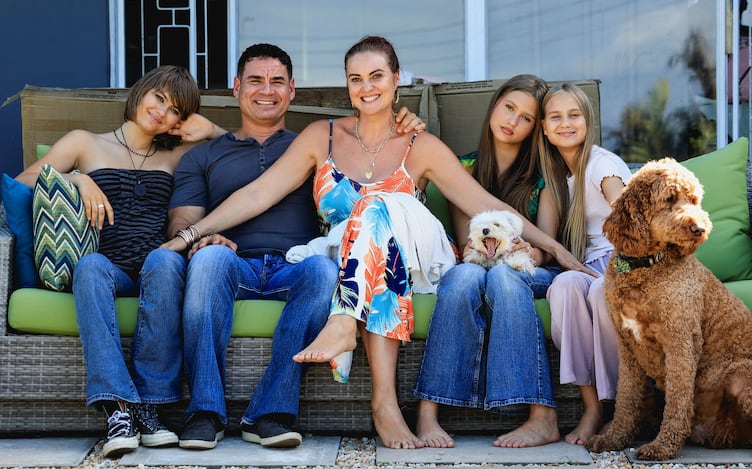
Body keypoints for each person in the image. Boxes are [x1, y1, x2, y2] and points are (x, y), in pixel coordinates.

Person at [161, 35, 589, 449]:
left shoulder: (422, 145)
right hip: (366, 266)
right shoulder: (321, 137)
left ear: (396, 78)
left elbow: (484, 204)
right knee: (369, 217)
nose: (366, 87)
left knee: (374, 204)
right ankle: (381, 399)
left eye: (377, 76)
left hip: (421, 260)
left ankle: (345, 322)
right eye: (356, 78)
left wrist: (556, 249)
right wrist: (187, 236)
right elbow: (257, 193)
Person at [145, 42, 425, 451]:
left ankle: (269, 414)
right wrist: (200, 236)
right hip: (230, 262)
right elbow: (183, 219)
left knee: (325, 272)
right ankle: (204, 411)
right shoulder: (202, 155)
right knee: (209, 261)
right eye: (255, 80)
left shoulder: (313, 144)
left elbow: (362, 159)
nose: (267, 90)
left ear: (292, 90)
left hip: (296, 262)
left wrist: (400, 123)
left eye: (278, 81)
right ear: (236, 87)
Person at [15, 65, 225, 458]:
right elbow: (24, 181)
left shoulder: (177, 154)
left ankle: (150, 405)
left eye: (175, 110)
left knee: (165, 264)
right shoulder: (85, 142)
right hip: (109, 266)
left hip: (153, 264)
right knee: (89, 266)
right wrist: (77, 177)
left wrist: (211, 129)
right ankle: (119, 408)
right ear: (141, 92)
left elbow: (238, 150)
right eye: (159, 98)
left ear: (181, 121)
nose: (162, 112)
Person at [413, 74, 563, 449]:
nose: (512, 120)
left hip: (529, 271)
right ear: (494, 105)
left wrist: (534, 251)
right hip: (479, 263)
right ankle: (428, 413)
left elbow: (546, 245)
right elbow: (471, 246)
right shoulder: (462, 167)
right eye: (509, 107)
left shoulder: (546, 177)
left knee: (505, 280)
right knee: (463, 279)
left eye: (526, 117)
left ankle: (542, 416)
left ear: (534, 128)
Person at [538, 82, 632, 445]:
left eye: (574, 115)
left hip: (623, 258)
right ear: (544, 127)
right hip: (588, 263)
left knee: (598, 293)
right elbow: (546, 241)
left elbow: (627, 214)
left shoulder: (601, 164)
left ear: (587, 120)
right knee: (562, 288)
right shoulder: (557, 176)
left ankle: (626, 407)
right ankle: (591, 406)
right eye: (556, 117)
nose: (566, 123)